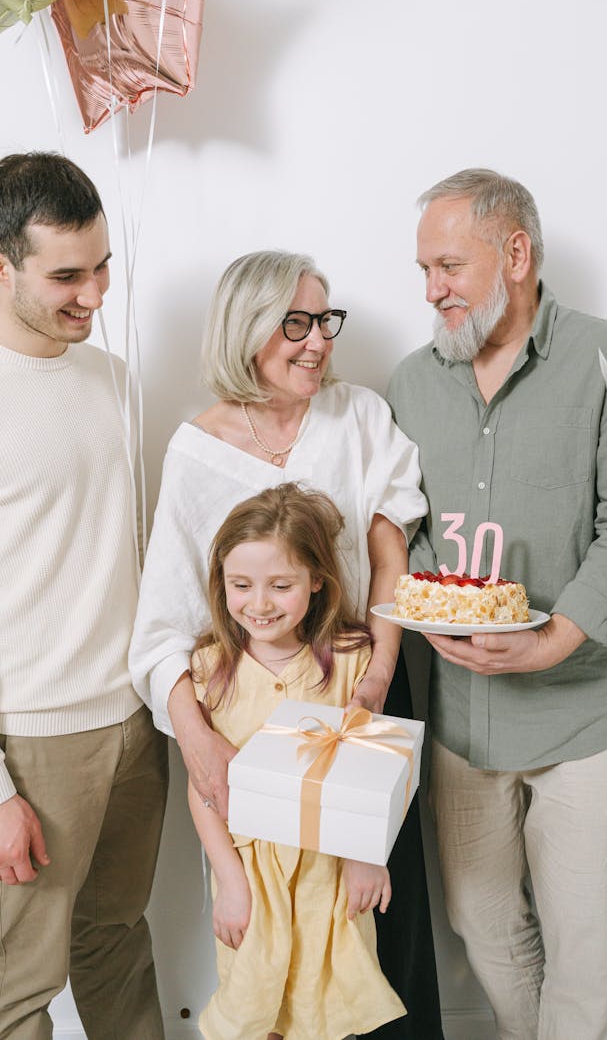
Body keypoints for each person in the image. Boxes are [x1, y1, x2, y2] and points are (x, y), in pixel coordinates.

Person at [129, 250, 444, 1038]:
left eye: (324, 321)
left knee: (375, 920)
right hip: (248, 705)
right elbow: (164, 622)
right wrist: (200, 741)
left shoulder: (359, 414)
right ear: (246, 329)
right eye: (294, 323)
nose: (316, 342)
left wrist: (378, 671)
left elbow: (387, 545)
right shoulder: (196, 450)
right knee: (268, 927)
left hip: (355, 682)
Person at [387, 168, 607, 1039]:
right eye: (424, 270)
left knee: (586, 944)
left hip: (588, 708)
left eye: (449, 266)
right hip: (466, 712)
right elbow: (409, 528)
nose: (433, 290)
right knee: (478, 921)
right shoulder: (411, 381)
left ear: (515, 255)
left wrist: (554, 640)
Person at [0, 152, 168, 1037]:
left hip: (134, 724)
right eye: (66, 275)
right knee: (19, 988)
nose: (95, 294)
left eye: (103, 266)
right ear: (0, 265)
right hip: (30, 742)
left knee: (118, 941)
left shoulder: (113, 380)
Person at [190, 483, 407, 1038]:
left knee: (330, 1008)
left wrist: (366, 856)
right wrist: (229, 880)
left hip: (328, 873)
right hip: (251, 875)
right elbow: (204, 787)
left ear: (316, 581)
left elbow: (373, 777)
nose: (259, 604)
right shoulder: (212, 668)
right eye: (241, 585)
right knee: (256, 1006)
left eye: (280, 585)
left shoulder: (353, 662)